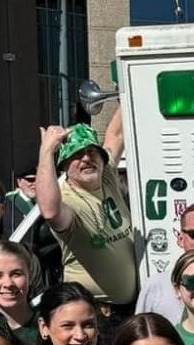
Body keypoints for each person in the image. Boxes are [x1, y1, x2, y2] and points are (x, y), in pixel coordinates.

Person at [37, 123, 138, 316]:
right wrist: (47, 151)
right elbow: (49, 211)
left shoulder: (106, 176)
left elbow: (116, 133)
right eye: (76, 155)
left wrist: (129, 92)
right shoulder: (67, 199)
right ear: (65, 165)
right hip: (95, 313)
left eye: (92, 152)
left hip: (131, 307)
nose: (86, 158)